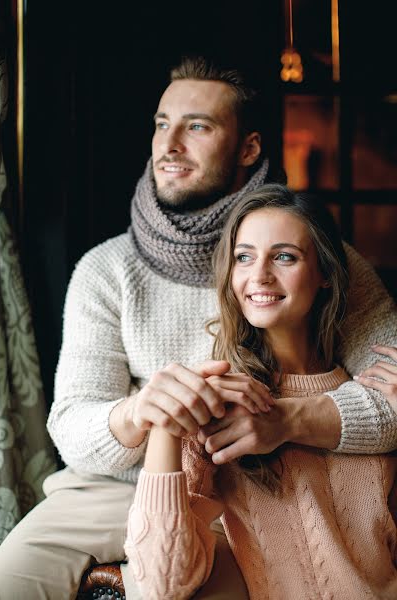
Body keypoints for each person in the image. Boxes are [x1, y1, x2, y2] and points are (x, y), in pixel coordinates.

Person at [0, 56, 396, 600]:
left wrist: (289, 420)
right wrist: (140, 411)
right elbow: (71, 425)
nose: (170, 143)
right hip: (113, 487)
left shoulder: (318, 262)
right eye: (162, 124)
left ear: (249, 148)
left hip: (245, 484)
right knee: (9, 577)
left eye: (197, 126)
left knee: (163, 588)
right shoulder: (105, 270)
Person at [125, 184, 397, 600]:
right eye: (244, 257)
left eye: (284, 256)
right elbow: (160, 586)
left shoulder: (373, 401)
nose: (259, 275)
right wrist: (165, 425)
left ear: (325, 273)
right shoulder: (216, 403)